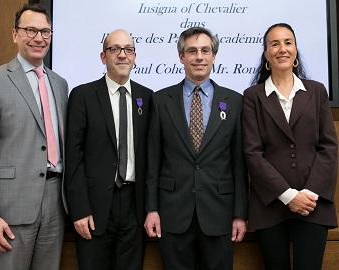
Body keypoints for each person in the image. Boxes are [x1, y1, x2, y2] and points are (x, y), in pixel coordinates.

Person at [0, 3, 68, 270]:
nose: (39, 38)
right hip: (10, 208)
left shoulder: (60, 84)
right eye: (31, 30)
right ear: (15, 34)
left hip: (55, 204)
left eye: (45, 32)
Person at [144, 26, 248, 270]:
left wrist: (240, 214)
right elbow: (153, 161)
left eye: (205, 50)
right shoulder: (160, 101)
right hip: (173, 213)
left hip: (219, 213)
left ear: (214, 56)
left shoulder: (234, 101)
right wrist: (152, 209)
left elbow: (239, 163)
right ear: (181, 57)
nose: (199, 56)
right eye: (191, 51)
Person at [243, 23, 338, 270]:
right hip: (271, 205)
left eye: (288, 42)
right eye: (274, 44)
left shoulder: (316, 91)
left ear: (296, 50)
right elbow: (252, 153)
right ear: (266, 54)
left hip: (313, 204)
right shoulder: (253, 96)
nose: (282, 49)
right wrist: (288, 196)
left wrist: (308, 195)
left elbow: (328, 147)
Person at [65, 29, 152, 270]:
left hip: (135, 207)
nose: (123, 55)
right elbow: (74, 158)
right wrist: (79, 209)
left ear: (134, 57)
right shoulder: (83, 96)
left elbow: (152, 158)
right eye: (115, 49)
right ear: (103, 57)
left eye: (129, 50)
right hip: (94, 208)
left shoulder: (147, 97)